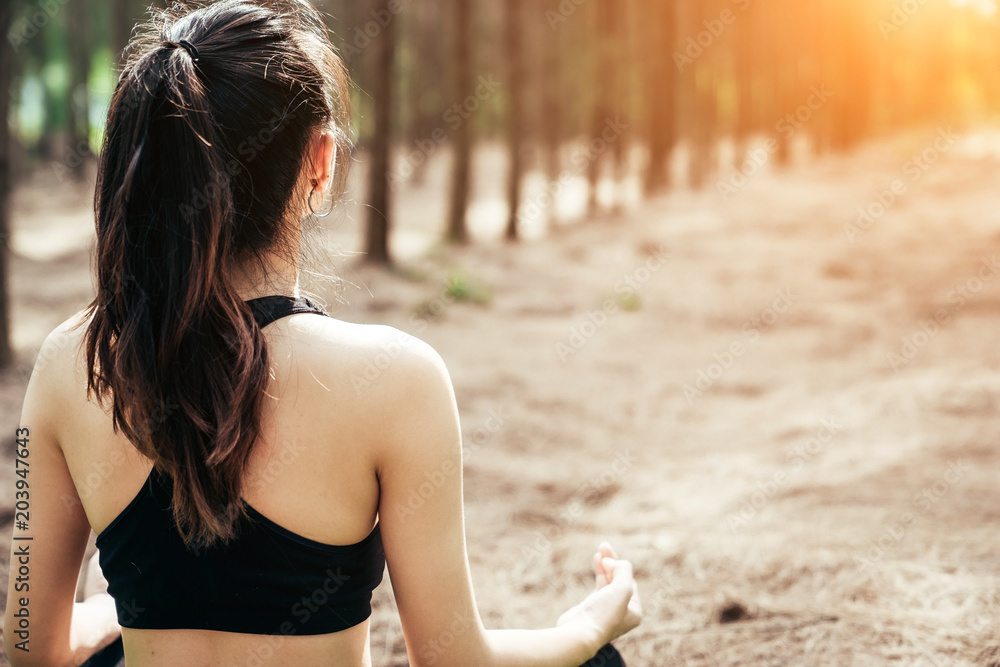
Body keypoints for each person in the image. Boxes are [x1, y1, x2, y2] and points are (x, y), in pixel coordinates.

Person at [2, 1, 642, 665]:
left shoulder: (70, 364)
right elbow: (456, 660)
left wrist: (116, 607)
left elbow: (26, 647)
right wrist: (592, 625)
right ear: (321, 159)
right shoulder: (398, 377)